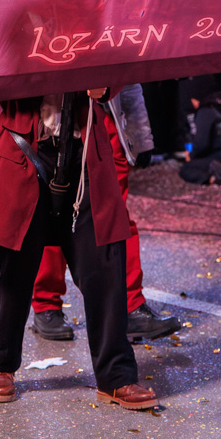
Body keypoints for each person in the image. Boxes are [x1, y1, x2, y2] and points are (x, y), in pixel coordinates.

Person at [0, 88, 158, 409]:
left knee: (105, 261)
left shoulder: (92, 34)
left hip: (84, 152)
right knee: (18, 263)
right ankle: (0, 363)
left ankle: (117, 376)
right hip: (25, 147)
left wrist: (104, 86)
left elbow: (120, 70)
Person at [30, 84, 180, 342]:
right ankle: (46, 304)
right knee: (56, 217)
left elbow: (128, 80)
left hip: (105, 125)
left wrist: (141, 138)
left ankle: (130, 306)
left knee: (117, 221)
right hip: (58, 126)